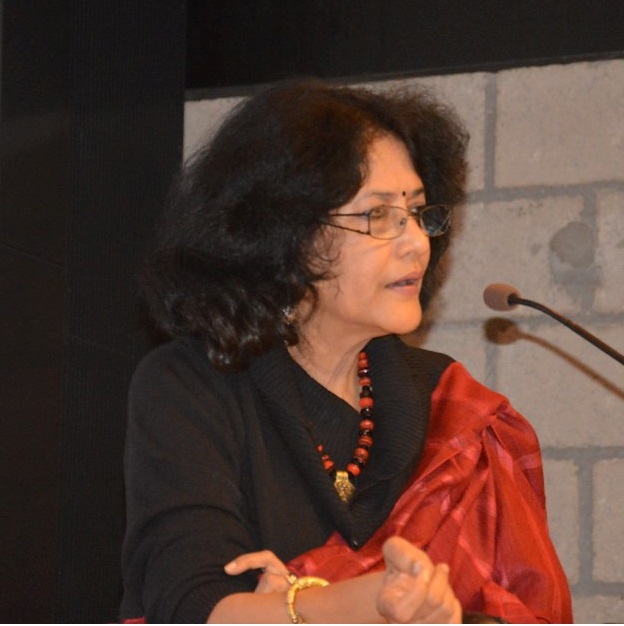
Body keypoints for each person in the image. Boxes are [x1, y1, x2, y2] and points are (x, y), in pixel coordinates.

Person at [120, 79, 573, 623]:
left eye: (418, 212)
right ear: (287, 235)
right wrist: (368, 604)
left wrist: (293, 604)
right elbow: (191, 606)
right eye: (378, 216)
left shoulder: (456, 414)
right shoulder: (192, 386)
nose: (416, 242)